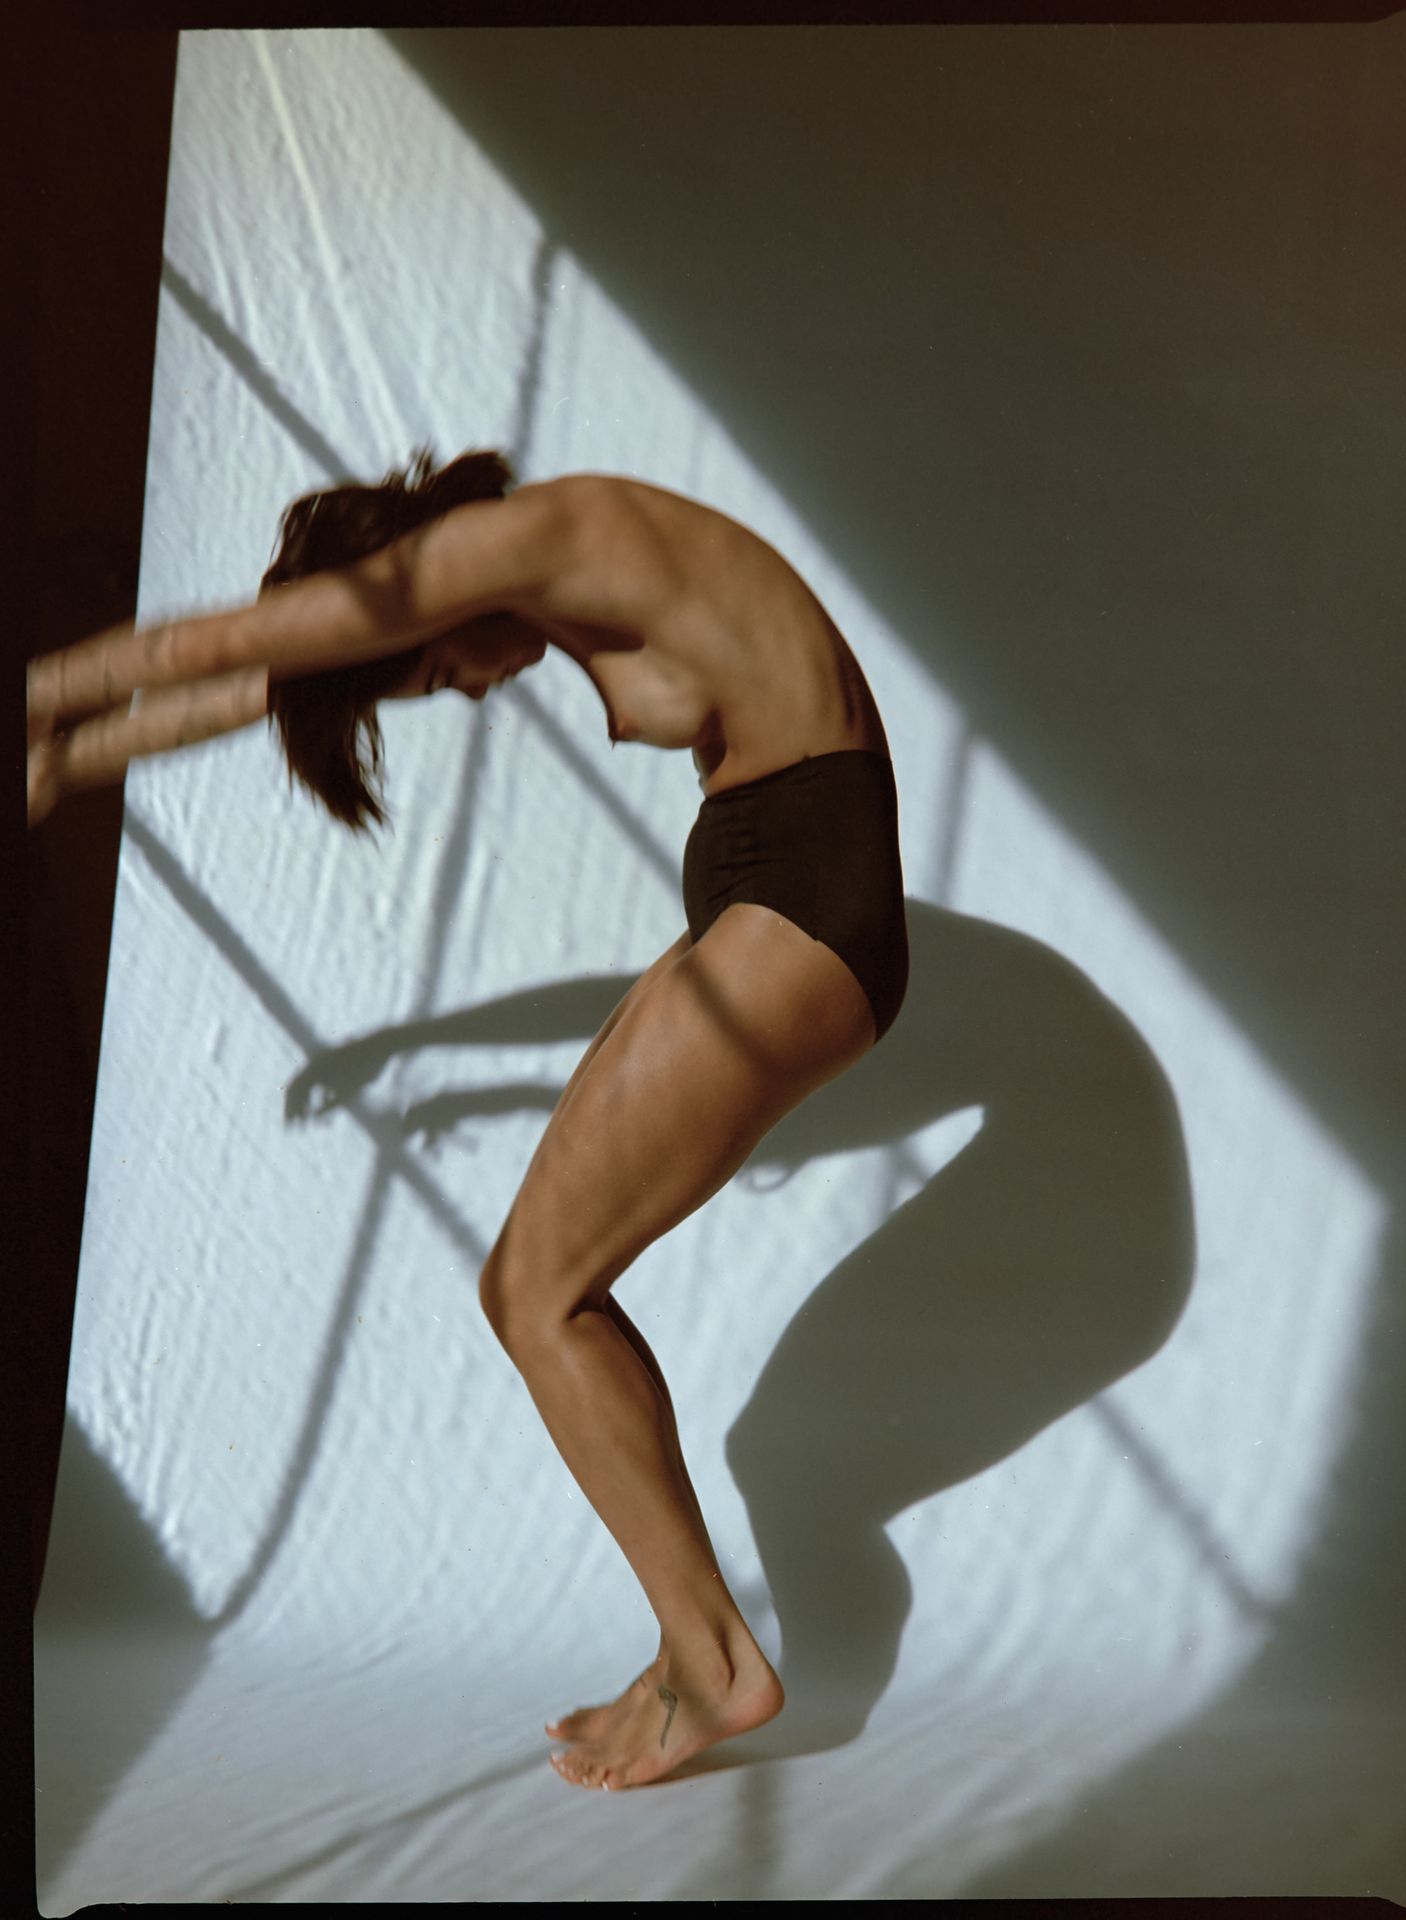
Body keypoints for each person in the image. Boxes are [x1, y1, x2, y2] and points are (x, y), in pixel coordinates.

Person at [26, 449, 909, 1790]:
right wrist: (66, 763)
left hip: (804, 896)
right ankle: (694, 1648)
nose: (475, 692)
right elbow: (267, 680)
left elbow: (217, 643)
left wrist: (36, 694)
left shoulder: (534, 533)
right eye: (439, 682)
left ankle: (719, 1664)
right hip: (766, 892)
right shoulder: (527, 570)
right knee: (542, 1291)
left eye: (442, 673)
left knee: (537, 1294)